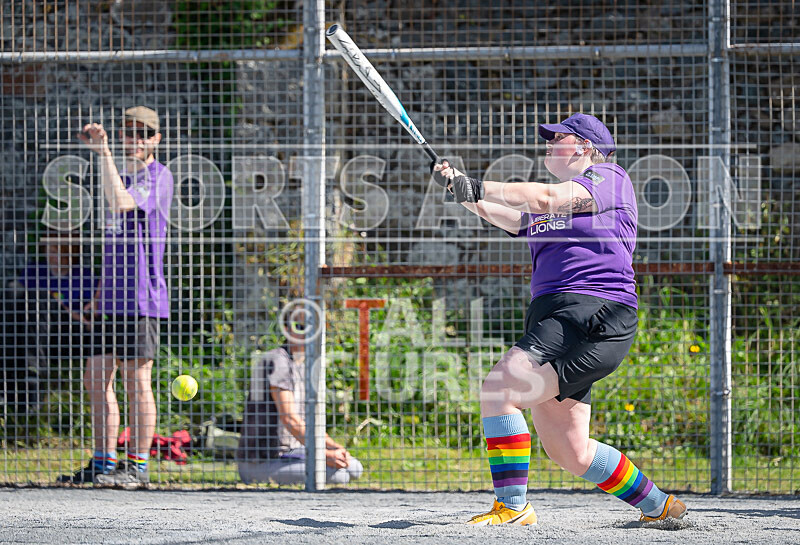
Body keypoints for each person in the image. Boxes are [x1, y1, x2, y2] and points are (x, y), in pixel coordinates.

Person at [432, 113, 686, 525]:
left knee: (500, 388)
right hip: (560, 315)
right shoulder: (564, 208)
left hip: (591, 311)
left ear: (586, 148)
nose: (549, 144)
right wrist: (459, 187)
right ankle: (660, 507)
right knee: (571, 451)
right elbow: (517, 220)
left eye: (559, 138)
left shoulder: (609, 176)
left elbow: (548, 198)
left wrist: (479, 184)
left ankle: (512, 508)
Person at [57, 106, 174, 487]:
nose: (136, 140)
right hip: (112, 299)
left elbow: (123, 204)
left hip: (142, 298)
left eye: (145, 134)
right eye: (130, 133)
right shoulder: (118, 176)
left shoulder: (159, 177)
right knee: (95, 377)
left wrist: (104, 152)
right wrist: (99, 295)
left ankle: (136, 466)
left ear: (156, 139)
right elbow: (114, 237)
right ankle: (104, 462)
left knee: (136, 379)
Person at [236, 314, 363, 485]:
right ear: (287, 330)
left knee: (354, 467)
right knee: (340, 475)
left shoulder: (303, 365)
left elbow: (308, 424)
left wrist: (335, 448)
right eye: (299, 327)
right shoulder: (277, 361)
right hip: (263, 461)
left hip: (295, 453)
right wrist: (324, 454)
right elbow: (290, 420)